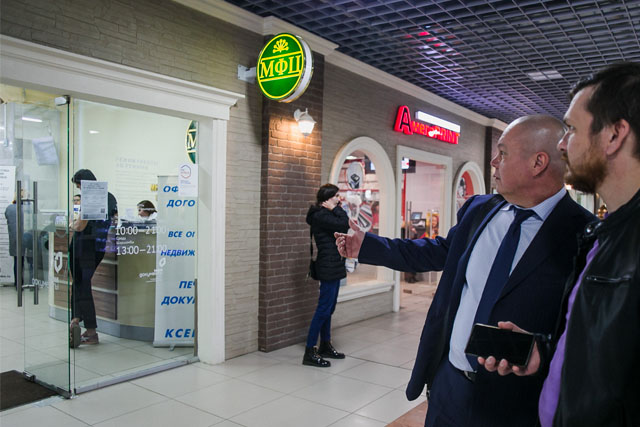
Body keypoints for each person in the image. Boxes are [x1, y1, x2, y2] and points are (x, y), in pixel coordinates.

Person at [335, 115, 595, 426]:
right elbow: (438, 252)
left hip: (516, 404)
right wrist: (368, 246)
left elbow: (587, 334)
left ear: (538, 162)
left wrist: (542, 350)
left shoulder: (586, 235)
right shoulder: (480, 210)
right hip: (449, 385)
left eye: (503, 153)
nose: (494, 162)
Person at [479, 62, 640, 426]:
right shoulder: (605, 235)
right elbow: (605, 355)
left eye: (572, 129)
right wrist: (544, 352)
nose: (562, 144)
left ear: (614, 135)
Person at [69, 169, 118, 347]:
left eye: (79, 185)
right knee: (81, 284)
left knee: (81, 284)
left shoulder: (91, 197)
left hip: (83, 247)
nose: (79, 189)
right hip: (98, 247)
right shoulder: (110, 197)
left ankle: (88, 329)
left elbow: (80, 226)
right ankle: (78, 319)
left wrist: (72, 225)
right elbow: (114, 220)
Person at [303, 183, 350, 368]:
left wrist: (334, 208)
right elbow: (344, 224)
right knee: (323, 308)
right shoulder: (321, 215)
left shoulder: (327, 214)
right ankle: (310, 351)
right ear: (327, 199)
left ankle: (325, 345)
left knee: (329, 308)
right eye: (335, 196)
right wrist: (335, 209)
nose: (338, 199)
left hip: (334, 265)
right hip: (328, 266)